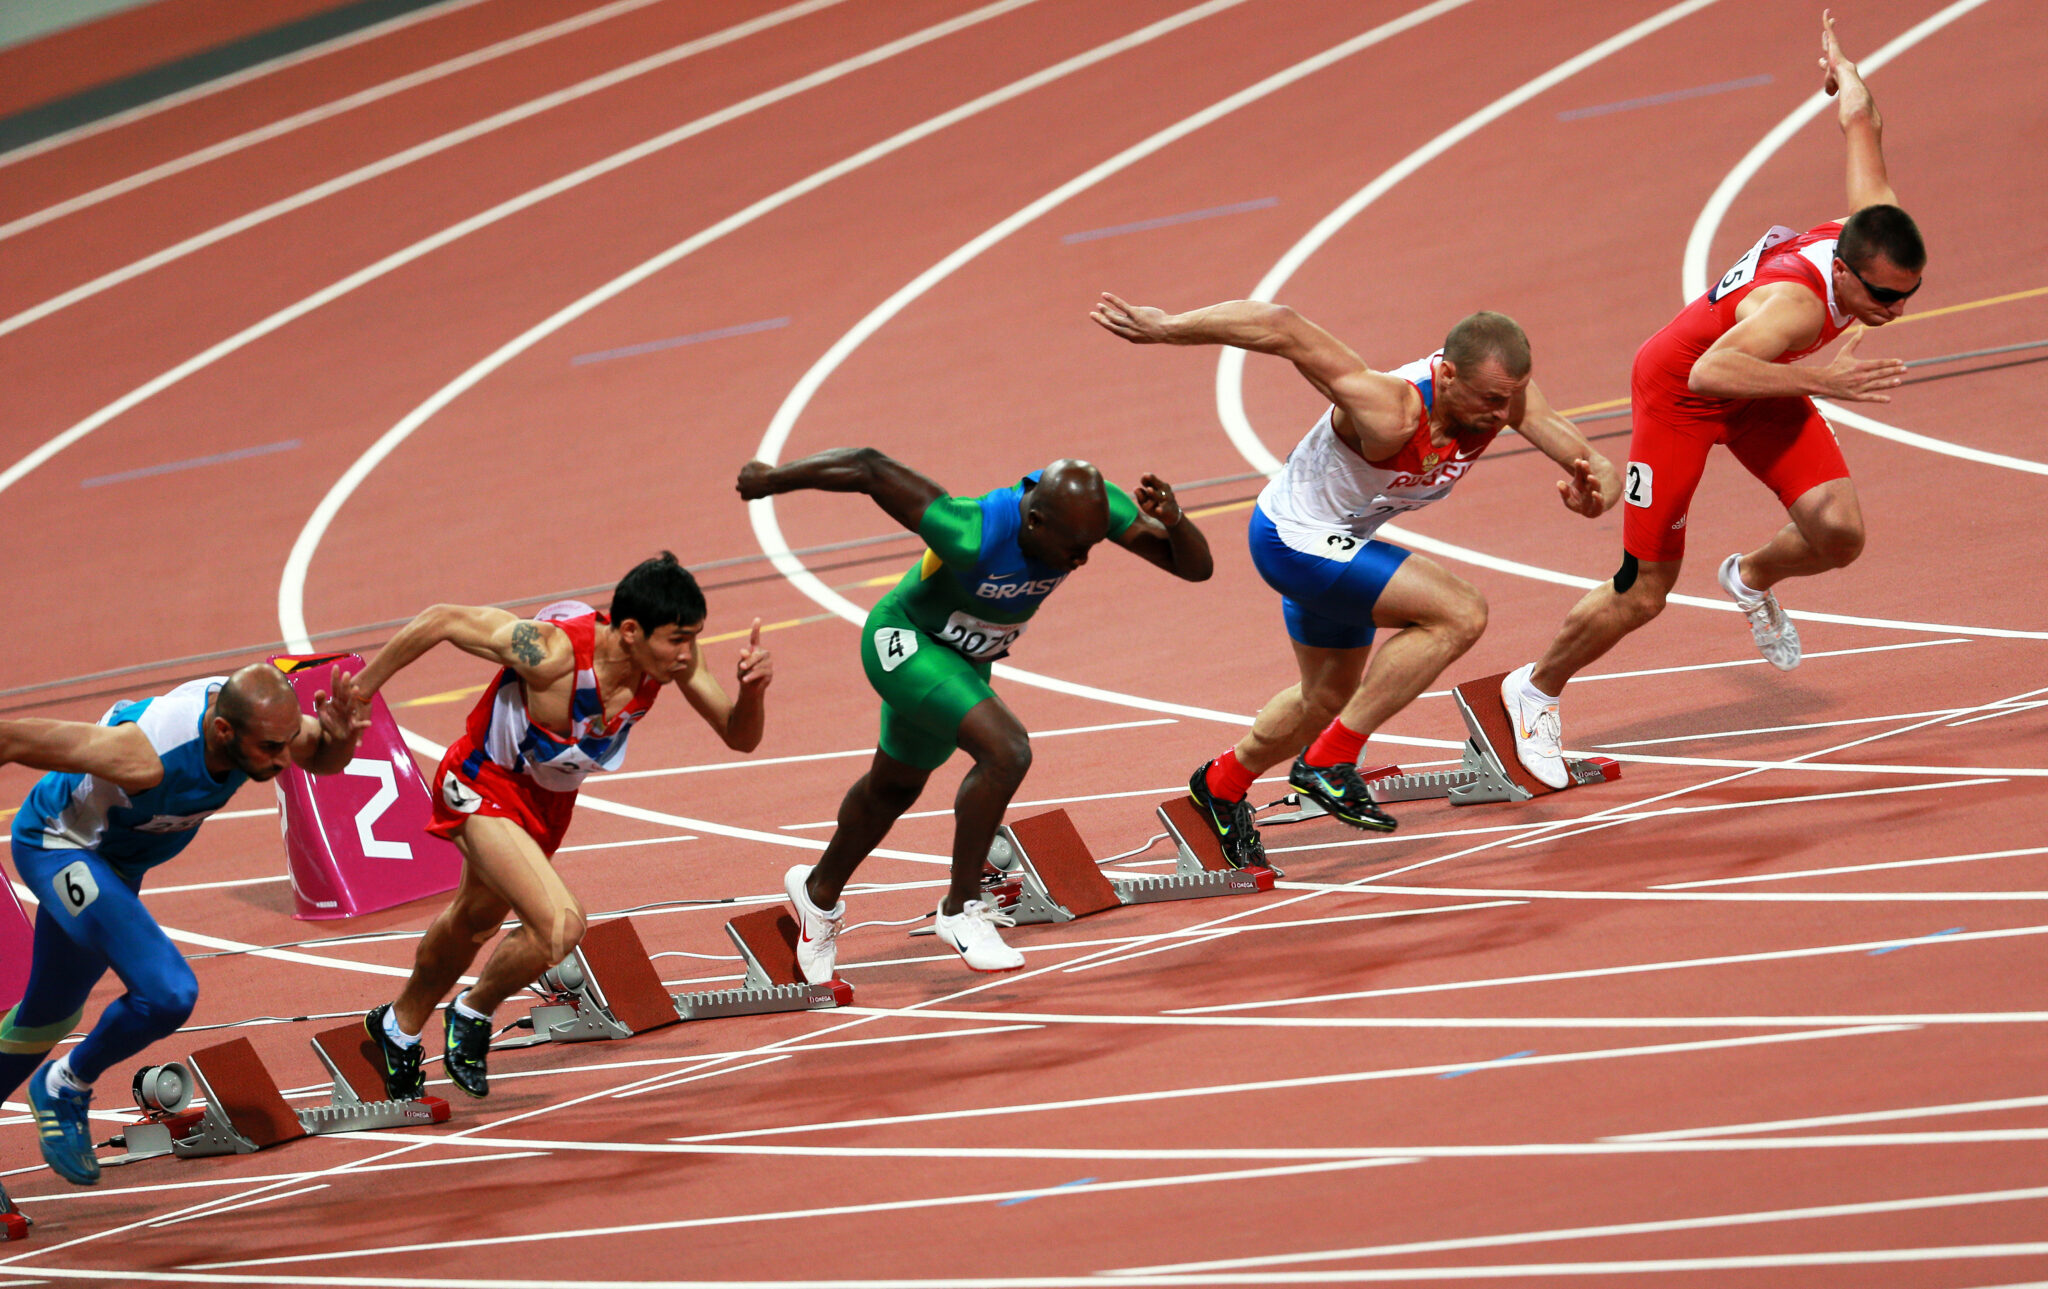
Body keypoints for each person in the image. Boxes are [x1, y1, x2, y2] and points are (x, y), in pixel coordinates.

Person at [1502, 10, 1922, 788]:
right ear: (1844, 271)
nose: (1896, 310)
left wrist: (1845, 74)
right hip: (1683, 391)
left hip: (1758, 379)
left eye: (1908, 295)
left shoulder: (1875, 223)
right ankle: (1533, 691)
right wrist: (1823, 380)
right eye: (1884, 297)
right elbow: (1708, 375)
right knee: (1644, 591)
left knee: (1839, 535)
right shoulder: (1795, 306)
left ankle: (1750, 576)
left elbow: (1862, 118)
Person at [1093, 295, 1617, 865]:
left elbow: (1593, 463)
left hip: (1340, 541)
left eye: (1512, 397)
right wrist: (1168, 327)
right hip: (1292, 539)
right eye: (1491, 399)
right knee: (1460, 612)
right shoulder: (1391, 409)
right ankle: (1330, 760)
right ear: (1446, 374)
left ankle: (1219, 786)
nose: (1502, 413)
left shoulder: (1506, 399)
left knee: (1324, 698)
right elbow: (1282, 327)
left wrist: (1598, 495)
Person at [737, 449, 1211, 974]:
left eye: (1090, 548)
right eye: (1073, 549)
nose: (1081, 561)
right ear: (1035, 520)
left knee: (893, 788)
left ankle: (817, 894)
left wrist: (1174, 521)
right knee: (1007, 750)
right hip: (906, 642)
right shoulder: (971, 529)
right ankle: (961, 908)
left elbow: (1196, 569)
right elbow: (869, 468)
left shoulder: (1095, 508)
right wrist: (771, 479)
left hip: (965, 661)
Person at [350, 553, 770, 1100]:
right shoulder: (550, 652)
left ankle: (398, 1028)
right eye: (676, 640)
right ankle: (472, 1013)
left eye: (694, 638)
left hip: (548, 805)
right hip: (479, 782)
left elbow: (740, 737)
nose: (687, 653)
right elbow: (442, 620)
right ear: (630, 631)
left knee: (474, 920)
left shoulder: (675, 662)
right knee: (560, 924)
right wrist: (360, 692)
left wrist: (753, 691)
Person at [1, 665, 368, 1185]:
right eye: (271, 750)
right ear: (222, 731)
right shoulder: (139, 753)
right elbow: (10, 738)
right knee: (168, 992)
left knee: (50, 1014)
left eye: (289, 744)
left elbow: (323, 759)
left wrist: (343, 738)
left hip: (115, 865)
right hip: (59, 848)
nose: (284, 760)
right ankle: (65, 1084)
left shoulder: (269, 728)